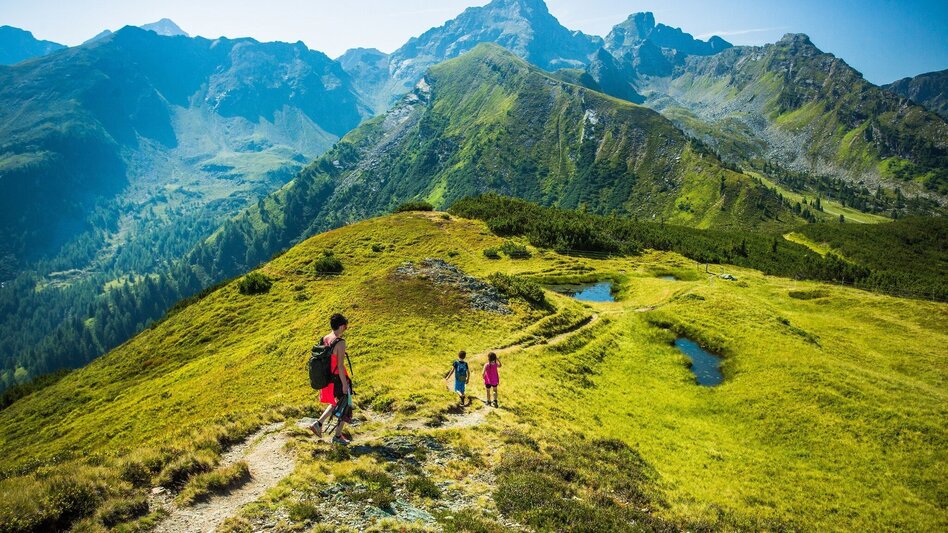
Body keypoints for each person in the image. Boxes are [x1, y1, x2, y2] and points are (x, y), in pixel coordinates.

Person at [309, 313, 352, 445]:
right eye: (345, 326)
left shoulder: (325, 338)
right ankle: (337, 437)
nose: (345, 329)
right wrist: (345, 385)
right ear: (340, 326)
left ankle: (318, 424)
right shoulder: (340, 342)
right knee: (346, 405)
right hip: (338, 378)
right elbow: (339, 366)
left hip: (328, 379)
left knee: (335, 403)